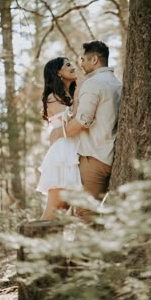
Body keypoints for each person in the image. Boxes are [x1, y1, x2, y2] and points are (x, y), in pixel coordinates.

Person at [50, 40, 122, 221]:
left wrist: (58, 133)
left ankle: (89, 249)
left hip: (94, 158)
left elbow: (82, 121)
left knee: (85, 212)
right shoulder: (116, 82)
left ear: (95, 60)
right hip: (108, 153)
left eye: (83, 59)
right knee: (91, 212)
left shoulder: (94, 83)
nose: (80, 64)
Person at [36, 57, 82, 220]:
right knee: (53, 209)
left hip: (74, 151)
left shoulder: (68, 95)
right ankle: (34, 243)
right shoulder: (52, 96)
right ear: (58, 72)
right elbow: (75, 120)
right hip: (62, 155)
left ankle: (54, 244)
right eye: (68, 65)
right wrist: (77, 97)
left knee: (64, 208)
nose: (73, 67)